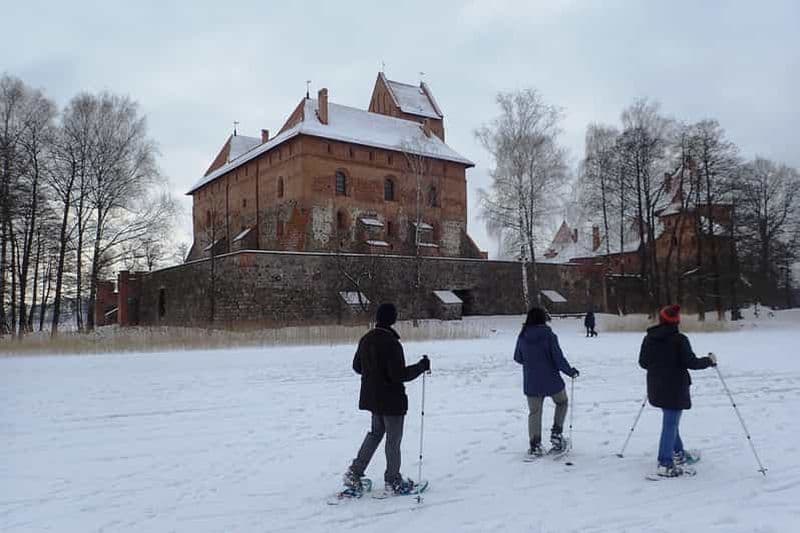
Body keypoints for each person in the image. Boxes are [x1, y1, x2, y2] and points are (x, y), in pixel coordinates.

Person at [343, 303, 430, 495]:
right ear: (392, 319)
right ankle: (393, 481)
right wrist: (421, 366)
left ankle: (354, 473)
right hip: (391, 400)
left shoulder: (366, 339)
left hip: (373, 399)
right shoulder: (392, 343)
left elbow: (357, 367)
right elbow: (398, 375)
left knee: (375, 434)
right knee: (393, 440)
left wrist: (374, 373)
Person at [638, 304, 717, 477]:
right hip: (674, 388)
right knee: (670, 423)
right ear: (676, 322)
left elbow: (643, 362)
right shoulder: (680, 340)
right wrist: (709, 361)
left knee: (671, 421)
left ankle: (678, 453)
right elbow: (692, 363)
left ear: (661, 319)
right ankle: (665, 463)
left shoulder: (650, 338)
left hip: (656, 386)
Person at [514, 307, 580, 457]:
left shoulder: (523, 336)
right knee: (562, 402)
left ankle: (535, 445)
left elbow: (518, 358)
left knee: (534, 412)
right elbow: (558, 359)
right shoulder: (549, 335)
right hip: (551, 380)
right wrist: (570, 371)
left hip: (531, 382)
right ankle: (556, 434)